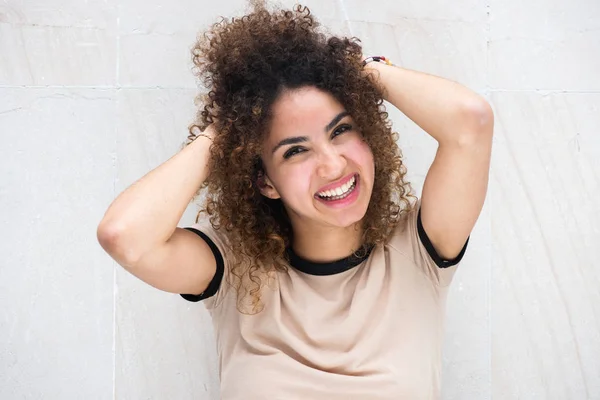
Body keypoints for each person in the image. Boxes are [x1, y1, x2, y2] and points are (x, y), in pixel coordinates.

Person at [97, 2, 493, 399]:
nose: (332, 164)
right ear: (265, 181)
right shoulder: (234, 267)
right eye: (295, 151)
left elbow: (470, 121)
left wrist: (357, 70)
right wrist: (229, 127)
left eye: (341, 130)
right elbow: (124, 236)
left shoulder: (418, 251)